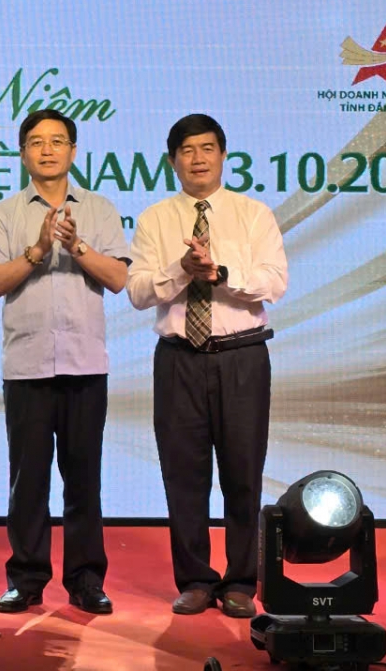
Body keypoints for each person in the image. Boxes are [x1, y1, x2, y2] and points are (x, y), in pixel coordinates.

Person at [126, 114, 288, 618]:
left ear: (224, 155)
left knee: (243, 472)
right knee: (183, 474)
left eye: (208, 148)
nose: (198, 159)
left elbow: (274, 283)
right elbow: (136, 291)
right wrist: (182, 270)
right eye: (188, 150)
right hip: (178, 360)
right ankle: (195, 579)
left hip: (242, 357)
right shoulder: (156, 218)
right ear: (172, 160)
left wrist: (220, 273)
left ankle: (241, 581)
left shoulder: (253, 214)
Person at [0, 110, 130, 615]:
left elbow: (118, 279)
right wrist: (39, 250)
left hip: (85, 366)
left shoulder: (102, 209)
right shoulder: (2, 214)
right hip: (27, 367)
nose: (47, 150)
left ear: (74, 152)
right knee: (28, 481)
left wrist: (76, 245)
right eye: (36, 142)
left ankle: (86, 580)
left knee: (84, 479)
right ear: (22, 153)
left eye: (58, 141)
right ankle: (26, 578)